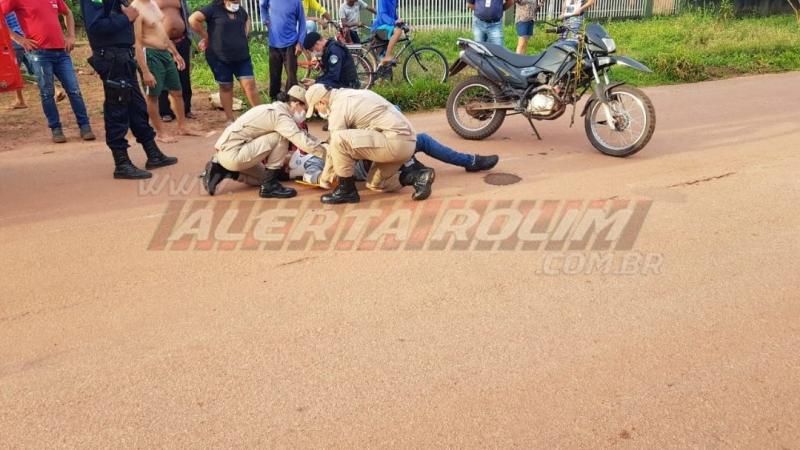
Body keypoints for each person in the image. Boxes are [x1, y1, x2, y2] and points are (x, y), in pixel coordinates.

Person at [80, 0, 178, 179]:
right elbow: (95, 26)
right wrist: (126, 18)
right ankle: (121, 163)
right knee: (117, 109)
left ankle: (153, 153)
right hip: (111, 58)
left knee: (137, 107)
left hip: (123, 56)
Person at [304, 84, 436, 204]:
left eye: (316, 108)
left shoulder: (338, 106)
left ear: (322, 102)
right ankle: (417, 177)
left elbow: (335, 146)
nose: (317, 112)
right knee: (374, 183)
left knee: (338, 139)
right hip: (408, 143)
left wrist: (325, 177)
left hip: (394, 142)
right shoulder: (351, 94)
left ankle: (346, 190)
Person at [202, 85, 328, 198]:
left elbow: (304, 136)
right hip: (233, 153)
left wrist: (323, 145)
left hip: (230, 153)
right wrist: (328, 157)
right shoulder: (280, 117)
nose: (305, 114)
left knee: (265, 177)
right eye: (304, 109)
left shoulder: (276, 110)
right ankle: (270, 186)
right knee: (281, 137)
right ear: (295, 104)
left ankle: (224, 170)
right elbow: (302, 141)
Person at [1, 0, 95, 144]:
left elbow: (68, 12)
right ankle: (56, 129)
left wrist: (71, 36)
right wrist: (18, 39)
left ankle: (85, 126)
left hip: (62, 52)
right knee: (47, 93)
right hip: (40, 53)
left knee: (74, 90)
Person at [131, 0, 199, 143]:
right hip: (149, 53)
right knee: (153, 96)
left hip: (165, 53)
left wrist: (175, 53)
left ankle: (182, 126)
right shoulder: (135, 10)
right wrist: (145, 71)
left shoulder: (153, 4)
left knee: (177, 91)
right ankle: (160, 132)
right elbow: (136, 42)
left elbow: (161, 32)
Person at [190, 0, 261, 124]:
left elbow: (247, 19)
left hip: (241, 56)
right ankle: (230, 119)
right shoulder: (213, 9)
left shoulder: (240, 11)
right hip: (219, 57)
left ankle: (261, 116)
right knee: (226, 86)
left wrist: (244, 34)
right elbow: (193, 19)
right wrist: (206, 36)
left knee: (249, 85)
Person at [156, 0, 194, 123]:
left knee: (184, 74)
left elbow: (186, 14)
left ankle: (186, 108)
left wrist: (189, 38)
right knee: (162, 75)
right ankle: (165, 111)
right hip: (160, 43)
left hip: (181, 40)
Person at [259, 0, 305, 101]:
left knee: (291, 74)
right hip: (274, 43)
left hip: (290, 43)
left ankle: (292, 100)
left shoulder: (296, 2)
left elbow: (302, 23)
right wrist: (264, 18)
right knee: (274, 73)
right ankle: (274, 98)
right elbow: (262, 5)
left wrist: (300, 43)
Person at [371, 0, 404, 72]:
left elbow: (393, 14)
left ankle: (386, 59)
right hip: (379, 28)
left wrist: (400, 22)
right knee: (398, 31)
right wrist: (394, 22)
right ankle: (387, 56)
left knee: (384, 64)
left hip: (387, 28)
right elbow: (383, 15)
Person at [4, 12, 26, 110]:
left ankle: (20, 100)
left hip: (14, 40)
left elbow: (3, 26)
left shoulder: (3, 5)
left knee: (15, 71)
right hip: (26, 37)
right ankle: (57, 90)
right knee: (35, 67)